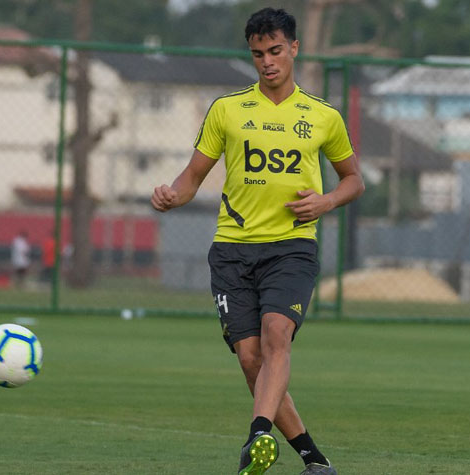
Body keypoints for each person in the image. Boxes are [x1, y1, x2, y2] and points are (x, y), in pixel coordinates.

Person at [151, 8, 363, 475]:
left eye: (274, 51)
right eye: (257, 54)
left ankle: (258, 437)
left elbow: (353, 181)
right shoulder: (227, 110)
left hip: (291, 247)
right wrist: (171, 196)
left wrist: (325, 202)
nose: (267, 62)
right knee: (250, 358)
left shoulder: (322, 116)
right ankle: (314, 458)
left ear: (293, 49)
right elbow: (191, 179)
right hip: (231, 249)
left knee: (275, 337)